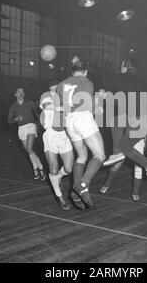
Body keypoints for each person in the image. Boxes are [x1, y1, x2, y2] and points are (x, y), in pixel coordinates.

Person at [56, 56, 106, 207]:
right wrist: (100, 102)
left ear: (72, 71)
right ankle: (83, 184)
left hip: (69, 122)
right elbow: (90, 106)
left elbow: (63, 107)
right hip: (83, 118)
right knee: (99, 155)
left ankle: (75, 191)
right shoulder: (87, 82)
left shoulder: (61, 84)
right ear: (85, 72)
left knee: (82, 156)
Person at [39, 80, 84, 210]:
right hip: (50, 135)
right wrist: (62, 108)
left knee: (69, 169)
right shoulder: (46, 97)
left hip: (65, 135)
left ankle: (58, 177)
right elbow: (46, 106)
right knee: (53, 167)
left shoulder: (66, 100)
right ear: (49, 90)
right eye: (52, 90)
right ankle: (59, 196)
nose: (54, 92)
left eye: (57, 89)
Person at [8, 87, 45, 180]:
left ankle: (35, 170)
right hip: (21, 128)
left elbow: (37, 114)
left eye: (22, 92)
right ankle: (41, 168)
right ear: (15, 94)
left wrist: (38, 124)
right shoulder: (13, 106)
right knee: (29, 150)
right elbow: (9, 120)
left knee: (29, 148)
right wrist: (16, 119)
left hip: (31, 126)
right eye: (19, 92)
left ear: (24, 94)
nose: (21, 93)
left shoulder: (30, 103)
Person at [100, 138, 146, 202]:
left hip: (139, 142)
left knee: (138, 168)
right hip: (125, 140)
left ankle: (135, 192)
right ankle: (106, 185)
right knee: (116, 165)